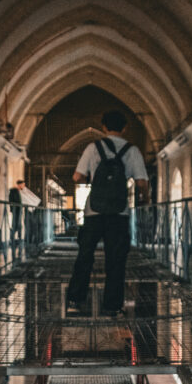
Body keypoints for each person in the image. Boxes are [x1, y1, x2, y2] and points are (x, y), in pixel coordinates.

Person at [66, 110, 149, 316]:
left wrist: (93, 179)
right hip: (119, 213)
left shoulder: (93, 147)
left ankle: (75, 300)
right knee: (116, 259)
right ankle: (112, 306)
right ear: (125, 127)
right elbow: (141, 182)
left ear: (103, 127)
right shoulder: (132, 150)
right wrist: (144, 199)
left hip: (93, 212)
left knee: (85, 256)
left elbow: (77, 176)